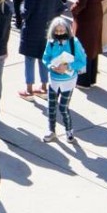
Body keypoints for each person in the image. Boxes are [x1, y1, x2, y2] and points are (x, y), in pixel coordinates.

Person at [41, 15, 84, 143]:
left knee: (63, 108)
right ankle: (51, 131)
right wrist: (51, 66)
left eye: (62, 30)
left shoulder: (74, 42)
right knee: (51, 107)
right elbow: (46, 58)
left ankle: (69, 132)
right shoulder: (51, 42)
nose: (59, 33)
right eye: (57, 31)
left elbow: (82, 61)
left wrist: (68, 66)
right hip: (54, 80)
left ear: (67, 29)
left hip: (68, 81)